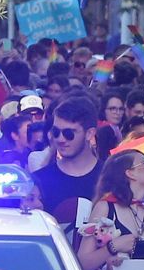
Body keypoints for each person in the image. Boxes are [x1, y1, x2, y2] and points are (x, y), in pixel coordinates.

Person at [33, 96, 103, 228]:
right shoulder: (39, 180)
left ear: (89, 134)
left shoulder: (110, 178)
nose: (60, 139)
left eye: (69, 133)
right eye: (56, 132)